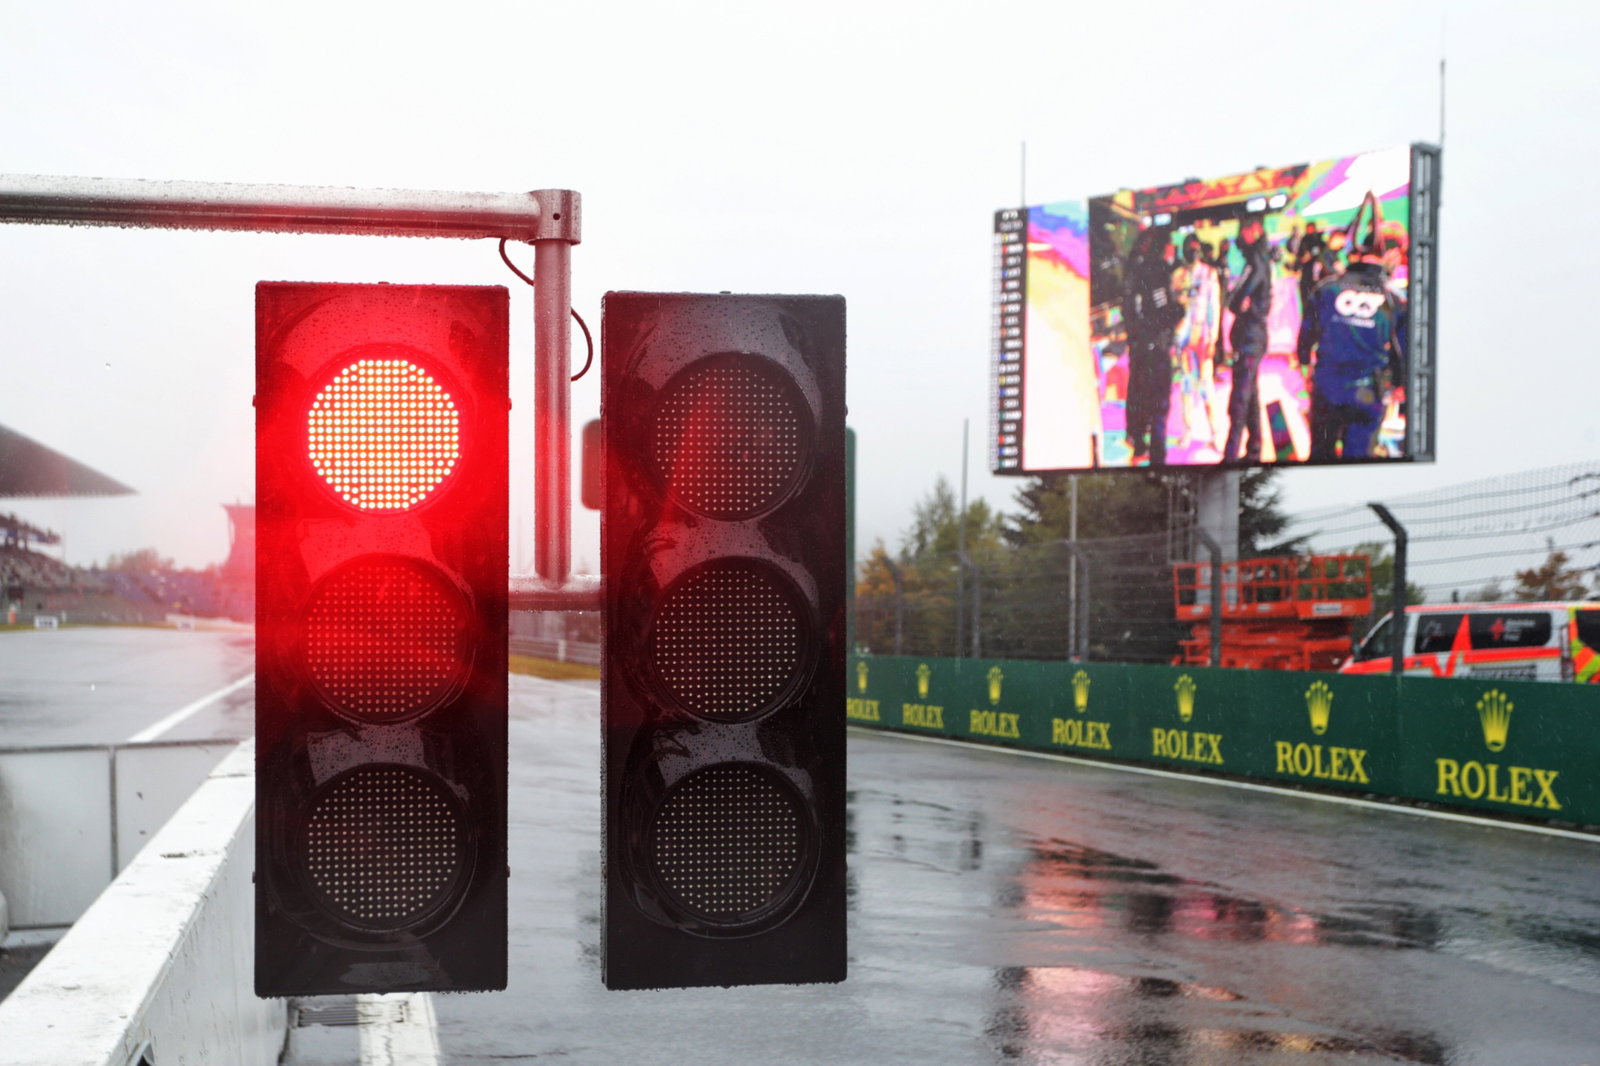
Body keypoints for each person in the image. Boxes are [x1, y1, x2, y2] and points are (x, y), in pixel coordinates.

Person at [1305, 194, 1405, 461]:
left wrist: (1306, 366)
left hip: (1328, 389)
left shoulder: (1326, 290)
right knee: (1358, 461)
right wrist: (1398, 382)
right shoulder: (1394, 300)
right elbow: (1401, 353)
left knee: (1320, 460)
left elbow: (1305, 340)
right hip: (1367, 392)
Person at [1122, 227, 1182, 465]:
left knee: (1139, 396)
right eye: (1170, 244)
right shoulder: (1157, 271)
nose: (1173, 249)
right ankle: (1158, 455)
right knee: (1159, 403)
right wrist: (1180, 309)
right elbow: (1162, 312)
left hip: (1140, 347)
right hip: (1156, 348)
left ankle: (1138, 443)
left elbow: (1131, 310)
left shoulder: (1133, 270)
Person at [1221, 217, 1272, 462]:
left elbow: (1234, 300)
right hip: (1252, 337)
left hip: (1250, 339)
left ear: (1256, 230)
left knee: (1240, 400)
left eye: (1244, 230)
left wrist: (1238, 302)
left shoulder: (1255, 263)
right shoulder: (1258, 260)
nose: (1240, 235)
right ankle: (1253, 450)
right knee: (1249, 396)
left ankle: (1230, 457)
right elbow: (1236, 300)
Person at [1170, 234, 1223, 447]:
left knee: (1206, 385)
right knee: (1185, 385)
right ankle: (1188, 430)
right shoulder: (1178, 275)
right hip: (1184, 337)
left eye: (1195, 248)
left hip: (1202, 335)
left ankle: (1216, 432)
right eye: (1188, 248)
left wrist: (1213, 338)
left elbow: (1214, 307)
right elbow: (1172, 308)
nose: (1192, 252)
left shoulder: (1209, 274)